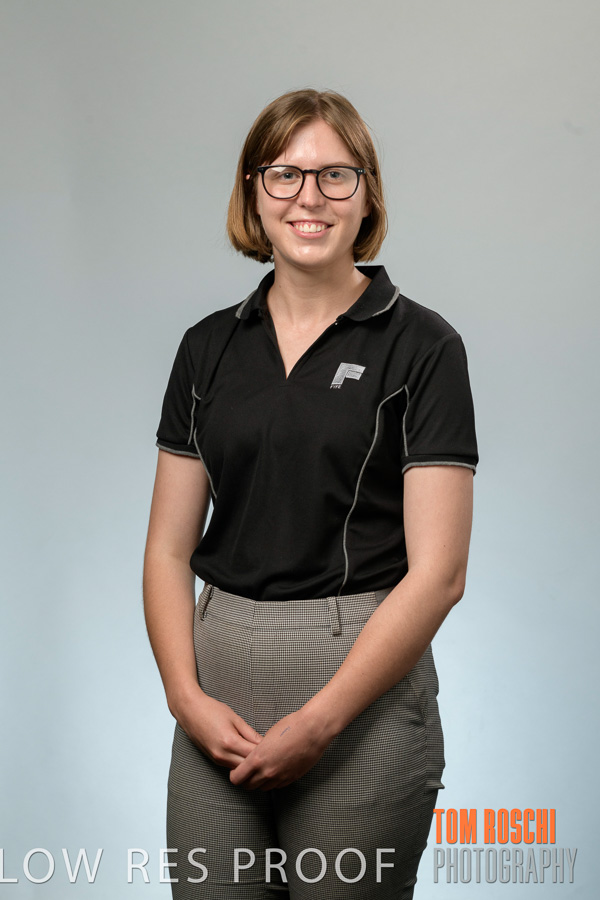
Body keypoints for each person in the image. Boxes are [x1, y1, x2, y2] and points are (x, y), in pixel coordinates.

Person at [143, 88, 478, 900]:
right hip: (215, 699)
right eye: (285, 174)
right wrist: (184, 698)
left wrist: (321, 722)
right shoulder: (207, 348)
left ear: (367, 195)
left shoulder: (423, 346)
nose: (309, 198)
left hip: (358, 694)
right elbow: (166, 550)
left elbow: (439, 575)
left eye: (335, 175)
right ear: (253, 193)